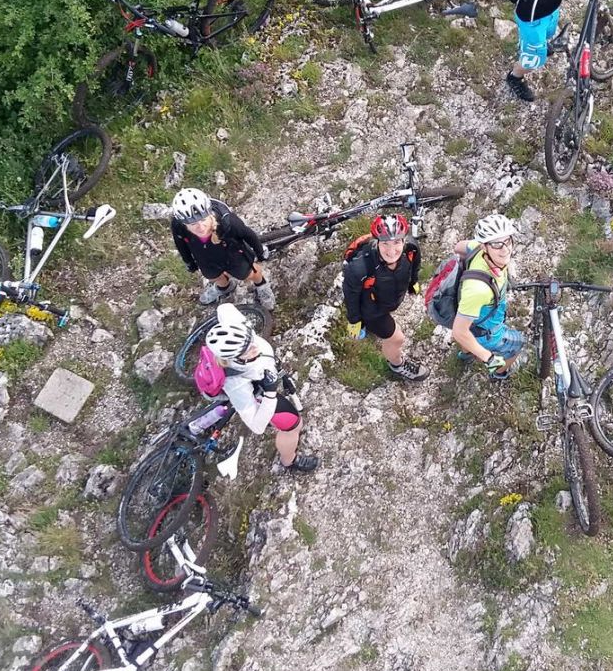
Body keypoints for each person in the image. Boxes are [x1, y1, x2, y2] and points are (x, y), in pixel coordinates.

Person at [204, 304, 318, 473]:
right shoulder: (236, 383)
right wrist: (270, 393)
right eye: (247, 350)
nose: (254, 347)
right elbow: (257, 426)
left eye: (250, 339)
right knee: (293, 425)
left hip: (266, 374)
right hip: (261, 393)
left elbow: (224, 308)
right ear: (233, 358)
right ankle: (289, 460)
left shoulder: (238, 327)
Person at [343, 214, 429, 382]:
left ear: (404, 240)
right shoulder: (361, 267)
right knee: (397, 339)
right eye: (385, 244)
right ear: (377, 242)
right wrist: (354, 320)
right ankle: (397, 364)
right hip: (373, 311)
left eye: (397, 242)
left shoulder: (411, 248)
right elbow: (350, 293)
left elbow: (415, 264)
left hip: (390, 298)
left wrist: (413, 281)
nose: (391, 251)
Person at [170, 187, 275, 310]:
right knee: (213, 276)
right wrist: (189, 263)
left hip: (233, 254)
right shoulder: (178, 226)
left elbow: (249, 235)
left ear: (209, 214)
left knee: (249, 273)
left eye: (203, 219)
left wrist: (260, 252)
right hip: (205, 258)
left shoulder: (228, 222)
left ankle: (261, 285)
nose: (200, 227)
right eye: (193, 224)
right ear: (184, 224)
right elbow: (181, 244)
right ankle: (224, 287)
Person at [451, 214, 525, 380]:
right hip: (486, 332)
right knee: (518, 344)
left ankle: (466, 353)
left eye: (508, 241)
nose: (505, 249)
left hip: (473, 316)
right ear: (485, 246)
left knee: (468, 327)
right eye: (497, 244)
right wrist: (489, 358)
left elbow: (458, 247)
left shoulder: (477, 248)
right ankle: (500, 373)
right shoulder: (478, 290)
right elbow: (459, 331)